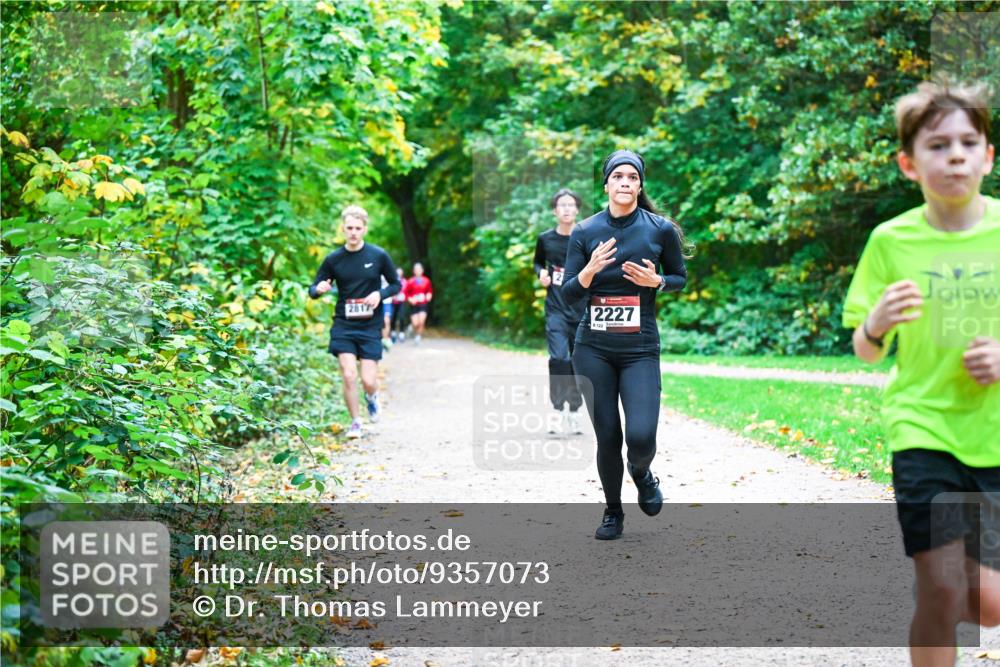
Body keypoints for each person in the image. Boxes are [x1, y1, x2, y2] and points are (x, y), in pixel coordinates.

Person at [843, 80, 1000, 666]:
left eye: (968, 142)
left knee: (988, 605)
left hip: (995, 437)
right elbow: (865, 350)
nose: (955, 154)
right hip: (922, 428)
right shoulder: (891, 241)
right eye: (938, 145)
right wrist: (877, 322)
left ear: (988, 155)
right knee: (939, 589)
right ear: (909, 164)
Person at [562, 150, 688, 540]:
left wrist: (659, 283)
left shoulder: (659, 229)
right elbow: (568, 294)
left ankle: (642, 473)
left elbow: (680, 277)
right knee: (608, 436)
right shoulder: (585, 232)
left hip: (640, 348)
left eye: (632, 177)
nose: (625, 183)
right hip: (593, 348)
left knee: (640, 437)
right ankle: (613, 511)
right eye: (618, 176)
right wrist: (589, 271)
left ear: (640, 185)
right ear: (606, 184)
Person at [309, 205, 401, 439]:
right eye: (349, 228)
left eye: (357, 228)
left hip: (370, 325)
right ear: (343, 228)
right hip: (344, 325)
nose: (353, 232)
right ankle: (356, 422)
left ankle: (371, 397)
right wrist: (318, 289)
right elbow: (314, 288)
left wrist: (379, 294)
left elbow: (396, 284)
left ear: (365, 229)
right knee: (349, 374)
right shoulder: (334, 259)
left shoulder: (378, 255)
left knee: (369, 380)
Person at [533, 188, 588, 434]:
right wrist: (541, 273)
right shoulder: (545, 239)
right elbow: (538, 262)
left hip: (581, 309)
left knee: (579, 362)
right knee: (558, 359)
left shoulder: (585, 236)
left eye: (571, 205)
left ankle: (574, 409)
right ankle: (557, 409)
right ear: (555, 211)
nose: (566, 209)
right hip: (555, 308)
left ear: (577, 209)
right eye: (561, 205)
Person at [404, 261, 433, 344]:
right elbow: (406, 293)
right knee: (415, 323)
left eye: (419, 269)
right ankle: (411, 327)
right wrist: (410, 299)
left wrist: (428, 295)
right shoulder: (410, 281)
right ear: (413, 271)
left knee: (421, 321)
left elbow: (429, 291)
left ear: (422, 270)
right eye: (416, 269)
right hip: (414, 305)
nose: (418, 271)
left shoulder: (426, 281)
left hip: (423, 304)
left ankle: (418, 336)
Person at [390, 267, 409, 343]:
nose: (399, 274)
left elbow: (407, 291)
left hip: (401, 302)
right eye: (398, 272)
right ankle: (393, 332)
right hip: (393, 302)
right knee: (393, 318)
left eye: (400, 272)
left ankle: (401, 333)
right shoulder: (392, 281)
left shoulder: (405, 281)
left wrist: (405, 297)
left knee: (402, 317)